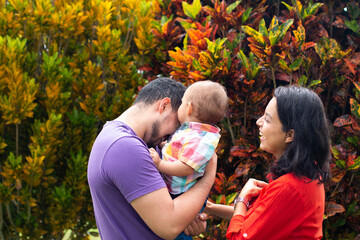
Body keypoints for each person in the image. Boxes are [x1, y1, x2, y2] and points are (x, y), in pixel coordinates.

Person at [87, 77, 218, 240]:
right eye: (178, 125)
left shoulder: (125, 140)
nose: (175, 135)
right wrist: (208, 178)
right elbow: (169, 225)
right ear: (164, 106)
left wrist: (189, 218)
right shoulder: (124, 147)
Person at [205, 85, 331, 239]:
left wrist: (242, 198)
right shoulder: (308, 175)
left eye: (268, 119)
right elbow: (256, 217)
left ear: (290, 135)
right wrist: (208, 208)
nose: (259, 122)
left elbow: (239, 236)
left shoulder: (288, 187)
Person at [149, 81, 229, 240]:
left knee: (180, 231)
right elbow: (180, 150)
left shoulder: (200, 138)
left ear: (189, 107)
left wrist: (160, 164)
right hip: (180, 190)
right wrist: (165, 146)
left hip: (183, 193)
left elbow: (187, 167)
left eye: (182, 103)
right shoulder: (192, 131)